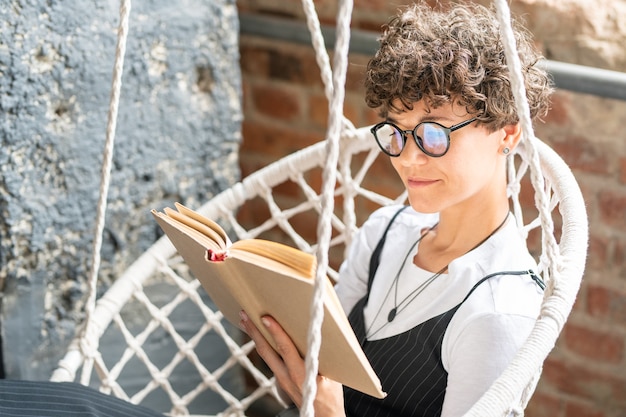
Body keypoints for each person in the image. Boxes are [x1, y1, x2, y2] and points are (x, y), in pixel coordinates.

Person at [240, 2, 552, 417]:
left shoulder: (497, 312)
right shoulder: (385, 232)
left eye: (433, 134)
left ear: (507, 132)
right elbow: (313, 387)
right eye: (396, 132)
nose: (407, 159)